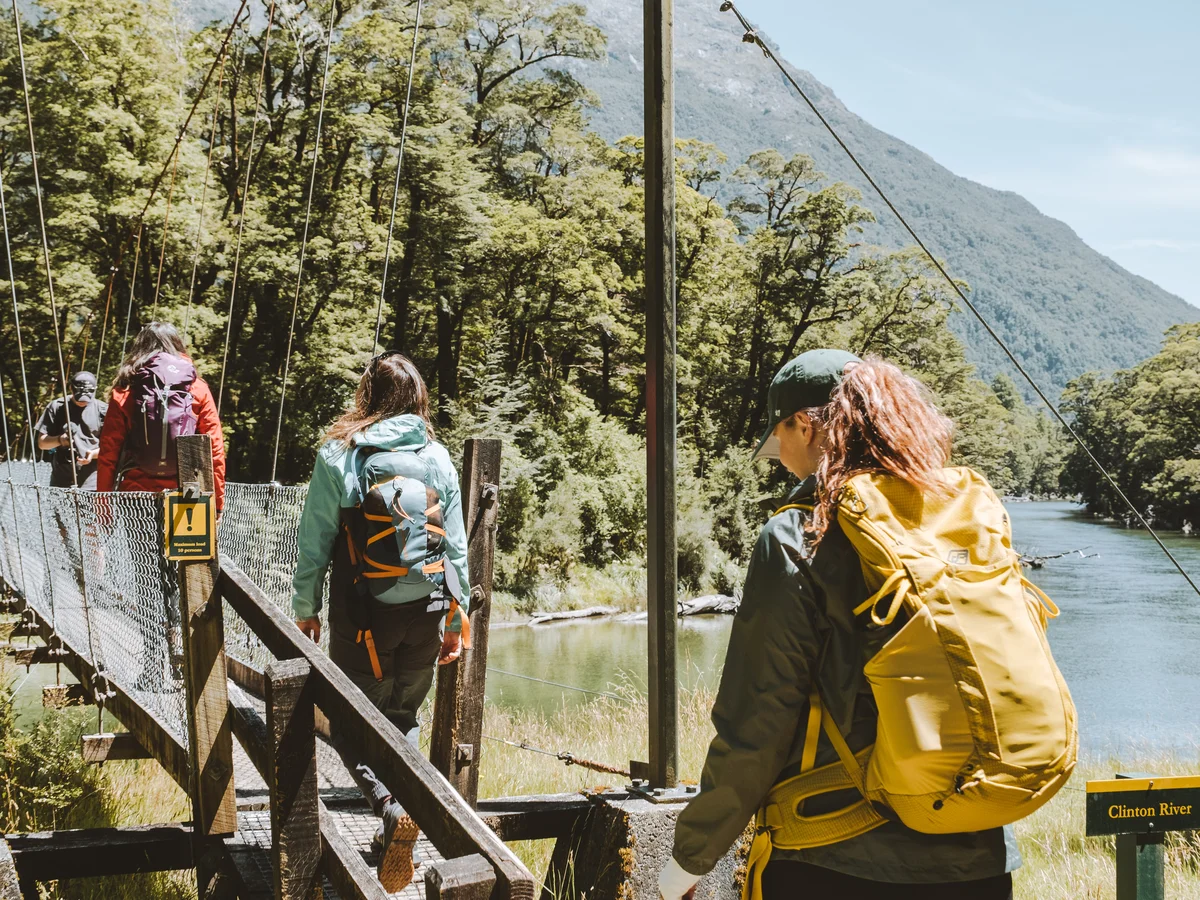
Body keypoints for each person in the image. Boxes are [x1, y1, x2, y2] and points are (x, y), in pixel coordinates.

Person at [659, 350, 1019, 900]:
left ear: (804, 424)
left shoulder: (799, 536)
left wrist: (689, 861)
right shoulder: (957, 520)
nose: (781, 459)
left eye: (780, 440)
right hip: (979, 855)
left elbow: (756, 723)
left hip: (835, 857)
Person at [291, 351, 470, 892]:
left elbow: (316, 539)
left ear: (366, 396)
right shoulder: (436, 457)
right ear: (418, 400)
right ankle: (404, 809)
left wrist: (306, 608)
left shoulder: (338, 456)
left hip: (362, 618)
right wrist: (457, 621)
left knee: (350, 724)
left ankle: (393, 810)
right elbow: (456, 550)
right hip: (428, 612)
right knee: (403, 714)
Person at [96, 322, 226, 691]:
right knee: (184, 577)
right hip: (188, 499)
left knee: (148, 582)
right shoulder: (196, 388)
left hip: (138, 499)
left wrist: (104, 503)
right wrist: (215, 500)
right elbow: (214, 449)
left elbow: (108, 454)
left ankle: (154, 669)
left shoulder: (125, 391)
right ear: (178, 346)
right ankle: (188, 662)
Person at [35, 371, 107, 489]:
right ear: (70, 388)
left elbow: (113, 448)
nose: (82, 401)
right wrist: (60, 440)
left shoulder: (103, 410)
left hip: (92, 482)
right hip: (61, 481)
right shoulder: (57, 407)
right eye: (79, 396)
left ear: (95, 389)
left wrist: (92, 454)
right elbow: (42, 443)